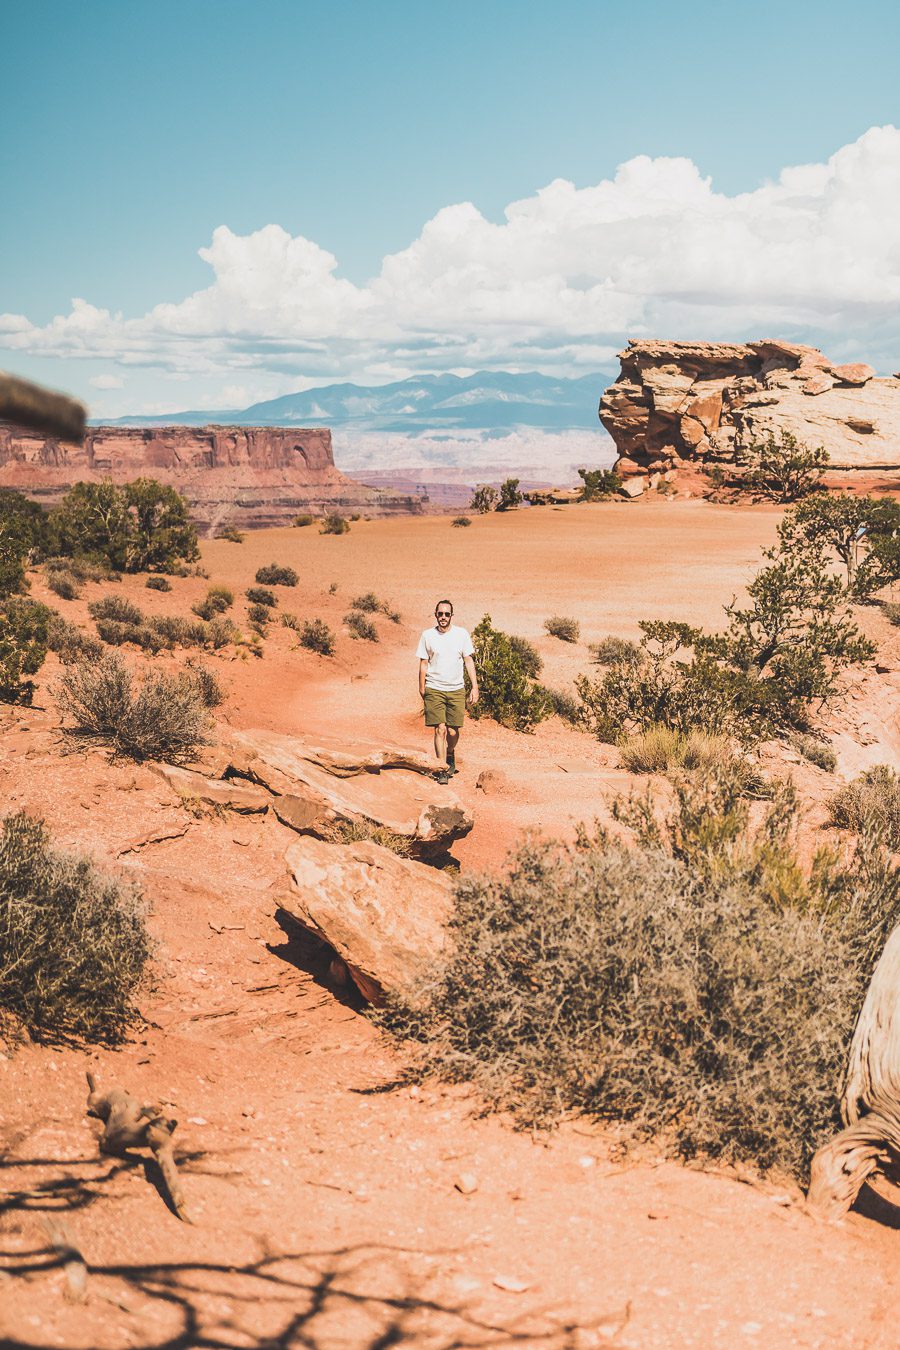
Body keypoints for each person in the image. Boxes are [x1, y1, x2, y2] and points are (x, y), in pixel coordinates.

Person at [416, 600, 478, 784]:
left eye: (447, 614)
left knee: (452, 731)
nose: (443, 617)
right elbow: (423, 663)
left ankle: (450, 753)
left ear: (452, 615)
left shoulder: (461, 634)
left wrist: (474, 686)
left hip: (456, 689)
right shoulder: (427, 635)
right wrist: (422, 686)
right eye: (440, 614)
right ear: (435, 615)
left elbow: (468, 661)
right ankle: (441, 768)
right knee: (440, 729)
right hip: (434, 687)